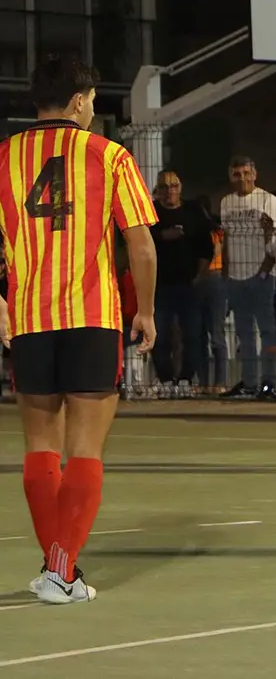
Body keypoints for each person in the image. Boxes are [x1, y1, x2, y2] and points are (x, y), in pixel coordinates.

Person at [0, 55, 159, 604]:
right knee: (85, 446)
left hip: (30, 318)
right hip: (91, 316)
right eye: (91, 100)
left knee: (40, 447)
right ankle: (62, 573)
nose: (93, 109)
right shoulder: (109, 155)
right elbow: (140, 243)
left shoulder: (3, 158)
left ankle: (56, 568)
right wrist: (147, 311)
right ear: (76, 101)